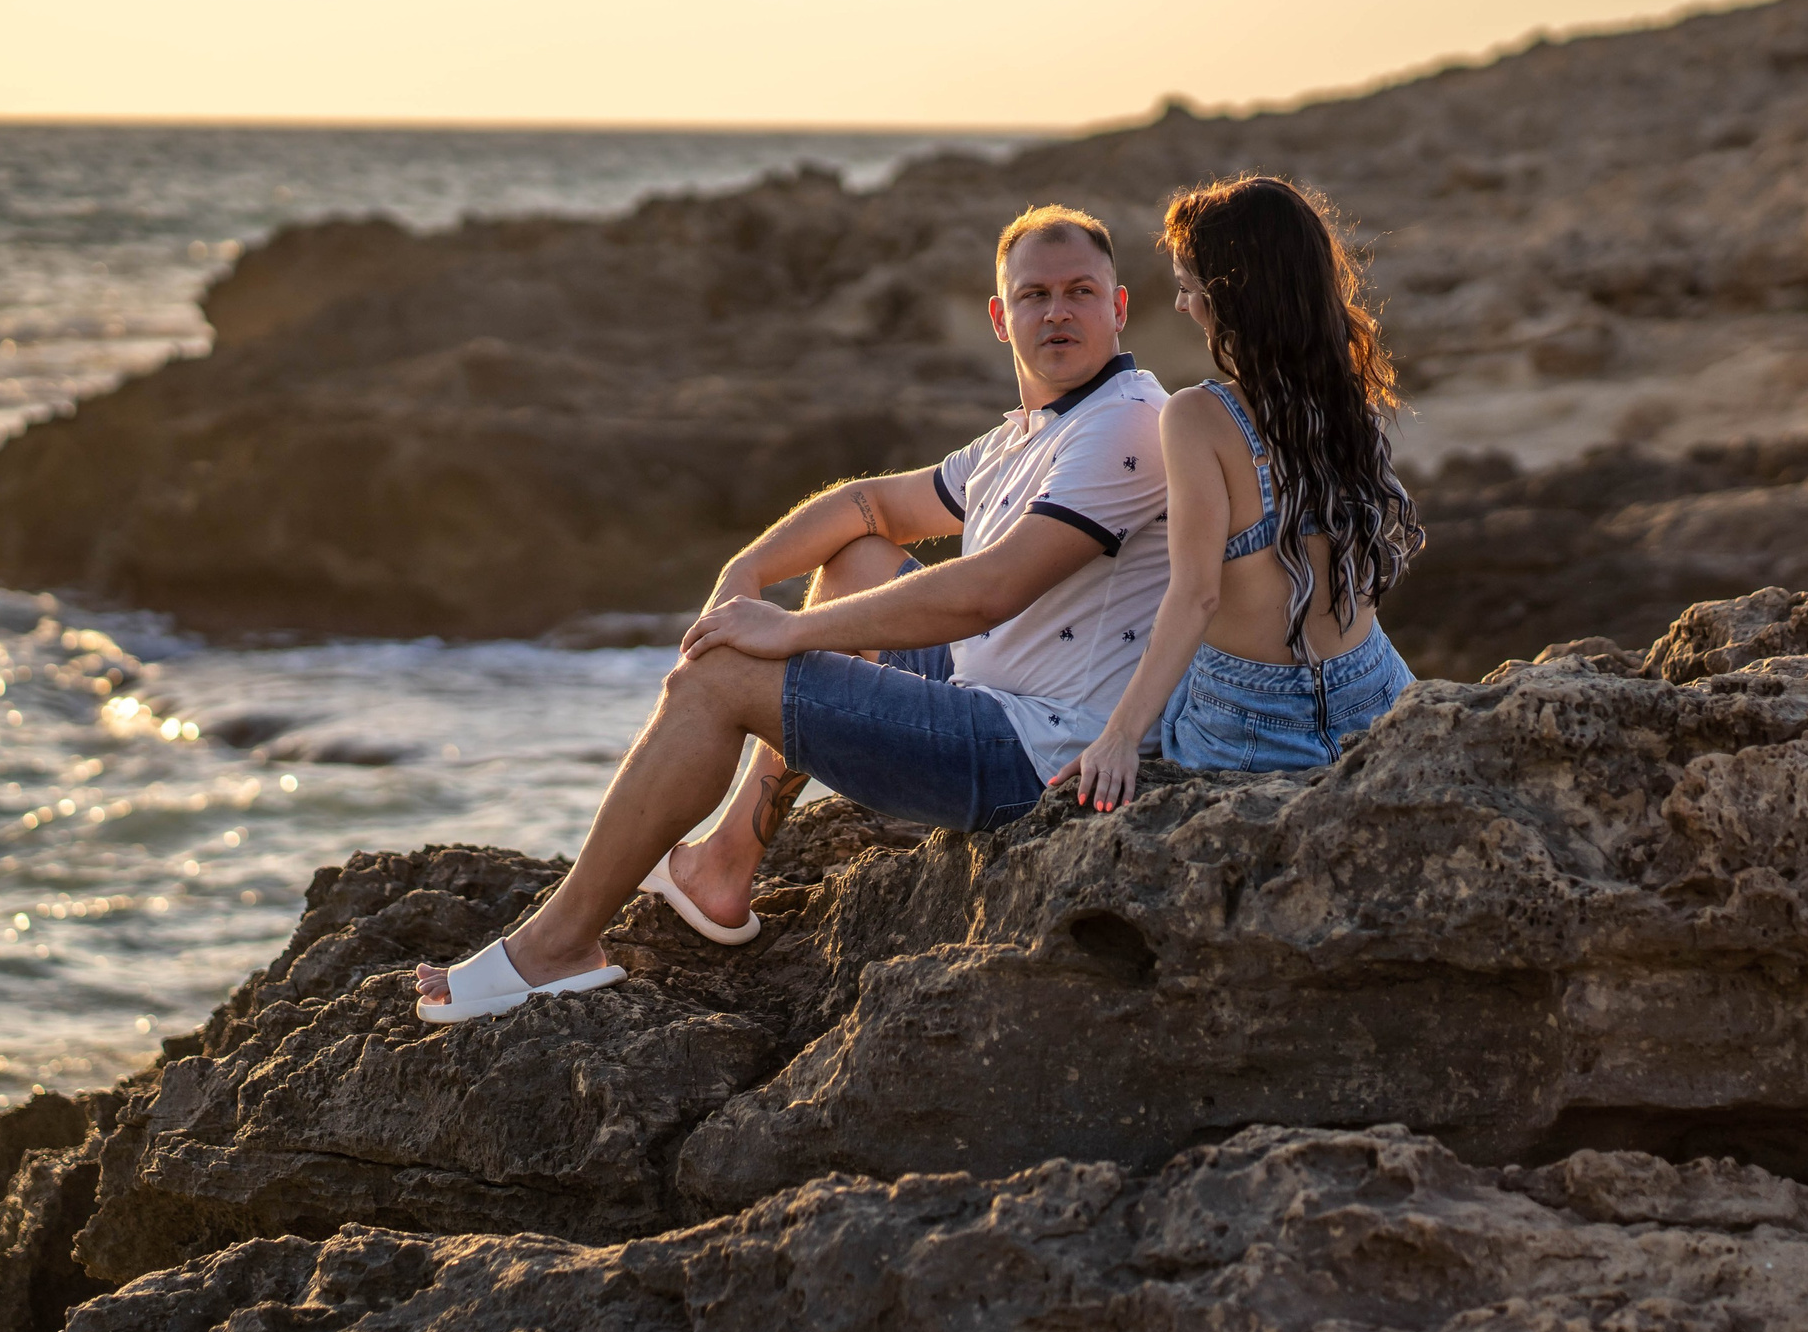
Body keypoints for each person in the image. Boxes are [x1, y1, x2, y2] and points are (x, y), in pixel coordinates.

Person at [415, 206, 1170, 1022]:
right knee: (854, 562)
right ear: (1001, 317)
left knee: (722, 680)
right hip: (992, 688)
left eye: (1080, 291)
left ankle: (555, 947)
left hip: (1042, 753)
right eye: (1035, 294)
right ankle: (724, 864)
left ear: (1119, 307)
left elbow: (988, 590)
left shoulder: (1125, 423)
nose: (1057, 311)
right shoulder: (1025, 434)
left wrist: (786, 632)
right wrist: (743, 573)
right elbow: (871, 506)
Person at [1049, 176, 1424, 813]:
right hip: (1374, 690)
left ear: (1232, 299)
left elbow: (1196, 594)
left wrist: (1117, 737)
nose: (1180, 305)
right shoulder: (1343, 394)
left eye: (1188, 288)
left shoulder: (1198, 416)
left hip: (1251, 720)